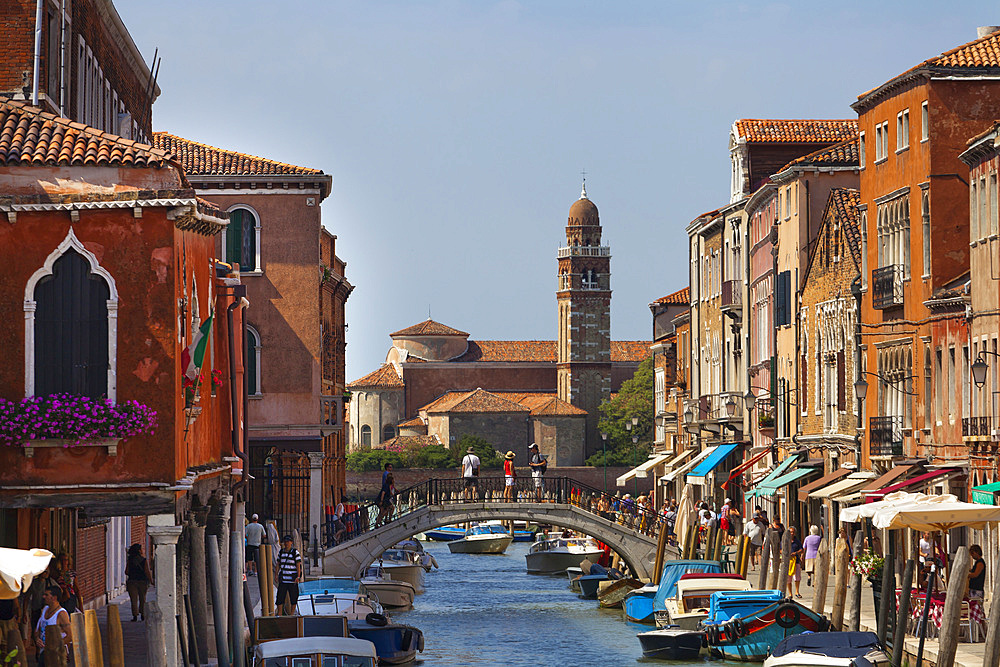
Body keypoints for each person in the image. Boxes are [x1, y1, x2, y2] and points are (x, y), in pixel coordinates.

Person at [34, 585, 71, 664]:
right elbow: (38, 629)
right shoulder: (45, 609)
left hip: (56, 655)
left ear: (54, 598)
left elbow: (70, 635)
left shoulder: (61, 614)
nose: (44, 597)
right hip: (44, 652)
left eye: (47, 595)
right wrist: (37, 639)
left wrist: (55, 645)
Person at [125, 543, 153, 622]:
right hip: (142, 582)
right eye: (141, 549)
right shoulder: (143, 560)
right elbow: (147, 572)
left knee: (133, 599)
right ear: (139, 551)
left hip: (132, 581)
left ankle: (135, 615)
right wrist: (151, 581)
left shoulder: (130, 560)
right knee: (142, 598)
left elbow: (126, 572)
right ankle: (143, 614)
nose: (143, 550)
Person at [276, 535, 302, 615]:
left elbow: (298, 565)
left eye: (288, 542)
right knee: (280, 597)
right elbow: (278, 564)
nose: (286, 543)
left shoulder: (295, 552)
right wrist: (276, 575)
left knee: (293, 598)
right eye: (285, 542)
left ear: (291, 542)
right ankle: (280, 613)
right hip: (283, 579)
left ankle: (291, 613)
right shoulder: (281, 552)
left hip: (292, 579)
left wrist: (298, 576)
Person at [789, 525, 804, 598]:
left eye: (793, 532)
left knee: (797, 577)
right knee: (788, 578)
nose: (792, 533)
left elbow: (802, 550)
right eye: (791, 532)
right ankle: (790, 593)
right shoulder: (785, 540)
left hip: (796, 561)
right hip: (788, 562)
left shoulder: (797, 541)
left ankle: (797, 591)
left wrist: (796, 553)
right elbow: (780, 549)